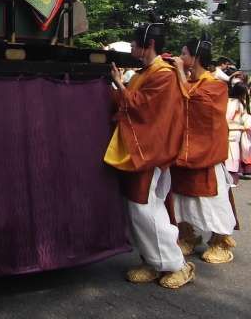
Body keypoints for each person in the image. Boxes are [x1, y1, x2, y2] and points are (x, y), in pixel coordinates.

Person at [104, 20, 192, 288]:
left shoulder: (164, 74)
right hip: (138, 147)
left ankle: (178, 264)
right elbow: (130, 104)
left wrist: (120, 85)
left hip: (151, 149)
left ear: (149, 44)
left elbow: (144, 108)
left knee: (146, 208)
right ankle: (153, 261)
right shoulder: (146, 72)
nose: (131, 47)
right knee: (136, 209)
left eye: (134, 43)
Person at [169, 34, 237, 264]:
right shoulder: (188, 81)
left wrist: (179, 74)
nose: (181, 57)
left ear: (196, 57)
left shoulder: (216, 84)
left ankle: (220, 241)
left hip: (205, 154)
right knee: (180, 199)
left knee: (211, 202)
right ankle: (187, 235)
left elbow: (196, 102)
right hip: (182, 152)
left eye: (184, 54)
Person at [226, 82, 251, 184]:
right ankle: (230, 180)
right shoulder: (234, 103)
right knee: (232, 156)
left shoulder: (232, 102)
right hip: (233, 132)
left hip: (235, 132)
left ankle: (231, 179)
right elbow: (228, 118)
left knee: (233, 156)